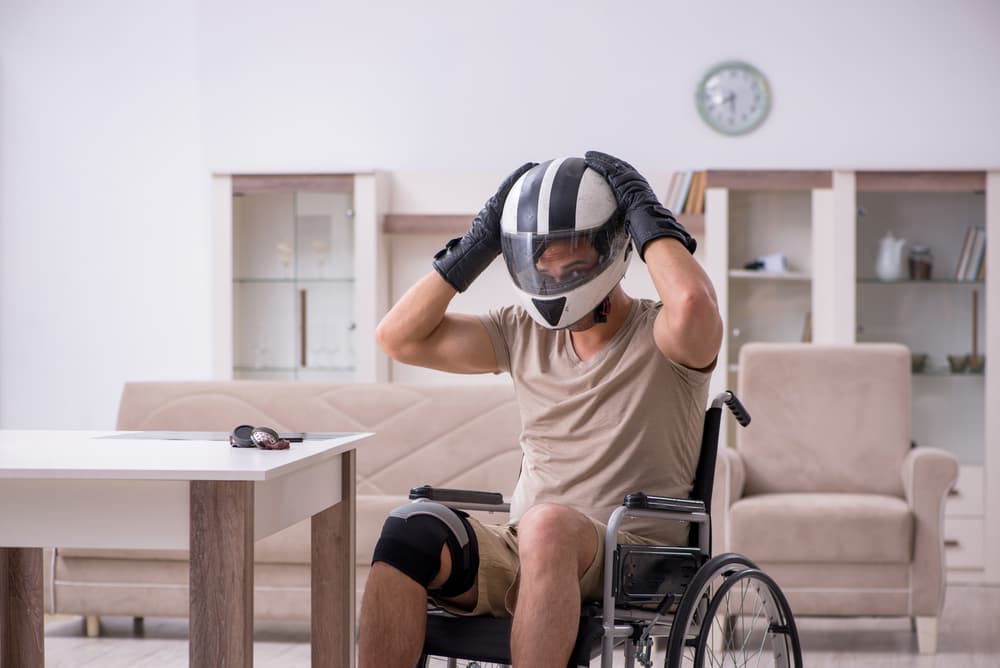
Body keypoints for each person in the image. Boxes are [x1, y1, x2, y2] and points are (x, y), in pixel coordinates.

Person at [358, 151, 723, 668]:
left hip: (633, 555)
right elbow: (396, 337)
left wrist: (642, 210)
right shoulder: (520, 331)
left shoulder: (666, 335)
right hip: (527, 548)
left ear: (613, 249)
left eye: (572, 266)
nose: (556, 283)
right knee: (409, 527)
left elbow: (693, 303)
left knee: (547, 526)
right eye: (542, 268)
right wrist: (475, 245)